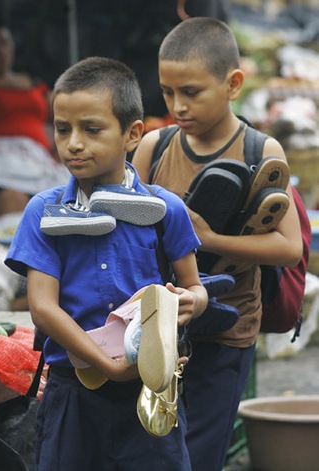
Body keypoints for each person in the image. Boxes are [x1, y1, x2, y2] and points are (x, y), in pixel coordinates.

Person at [4, 56, 208, 471]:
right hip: (71, 393)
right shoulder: (44, 211)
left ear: (132, 134)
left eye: (92, 129)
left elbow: (196, 288)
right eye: (63, 129)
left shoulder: (164, 209)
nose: (74, 143)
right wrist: (106, 366)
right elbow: (43, 308)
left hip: (152, 390)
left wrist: (192, 303)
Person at [132, 17, 303, 471]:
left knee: (201, 452)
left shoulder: (261, 152)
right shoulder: (155, 145)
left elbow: (288, 248)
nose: (177, 106)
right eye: (168, 93)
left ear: (233, 84)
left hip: (230, 326)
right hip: (158, 329)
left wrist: (209, 239)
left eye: (191, 92)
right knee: (155, 448)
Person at [0, 18, 68, 222]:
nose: (0, 52)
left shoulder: (33, 84)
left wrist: (60, 152)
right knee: (11, 200)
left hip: (40, 161)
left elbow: (68, 118)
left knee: (69, 195)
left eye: (4, 44)